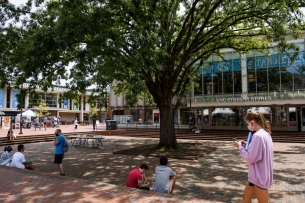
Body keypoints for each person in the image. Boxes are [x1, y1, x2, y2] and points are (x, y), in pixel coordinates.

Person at [233, 111, 273, 203]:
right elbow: (259, 150)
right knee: (246, 198)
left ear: (252, 122)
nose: (248, 126)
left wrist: (239, 147)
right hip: (256, 177)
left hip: (259, 177)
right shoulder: (265, 134)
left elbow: (250, 157)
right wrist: (247, 145)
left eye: (247, 123)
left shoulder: (258, 136)